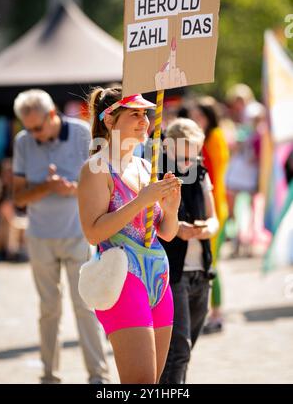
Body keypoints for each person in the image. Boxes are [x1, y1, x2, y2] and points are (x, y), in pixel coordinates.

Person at [77, 87, 181, 384]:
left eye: (145, 113)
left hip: (159, 277)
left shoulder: (146, 167)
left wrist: (171, 210)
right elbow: (93, 233)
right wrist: (142, 200)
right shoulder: (96, 169)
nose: (144, 120)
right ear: (110, 121)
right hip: (122, 279)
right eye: (134, 114)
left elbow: (167, 234)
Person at [12, 89, 109, 384]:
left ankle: (98, 376)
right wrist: (47, 187)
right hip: (41, 237)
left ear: (53, 113)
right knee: (48, 310)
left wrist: (75, 189)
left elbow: (105, 182)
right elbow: (19, 197)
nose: (34, 135)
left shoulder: (82, 134)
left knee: (86, 307)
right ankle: (49, 376)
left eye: (38, 128)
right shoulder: (23, 142)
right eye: (28, 128)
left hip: (79, 233)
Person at [159, 118, 219, 383]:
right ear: (167, 149)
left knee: (186, 347)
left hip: (201, 271)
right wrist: (176, 228)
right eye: (181, 156)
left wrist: (207, 228)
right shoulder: (158, 175)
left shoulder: (201, 173)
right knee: (178, 349)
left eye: (192, 155)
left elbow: (214, 218)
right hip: (174, 273)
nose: (187, 162)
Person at [191, 97, 229, 333]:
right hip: (212, 207)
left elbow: (211, 177)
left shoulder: (213, 138)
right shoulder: (209, 138)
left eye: (199, 116)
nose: (195, 120)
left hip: (214, 209)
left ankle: (216, 313)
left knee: (211, 262)